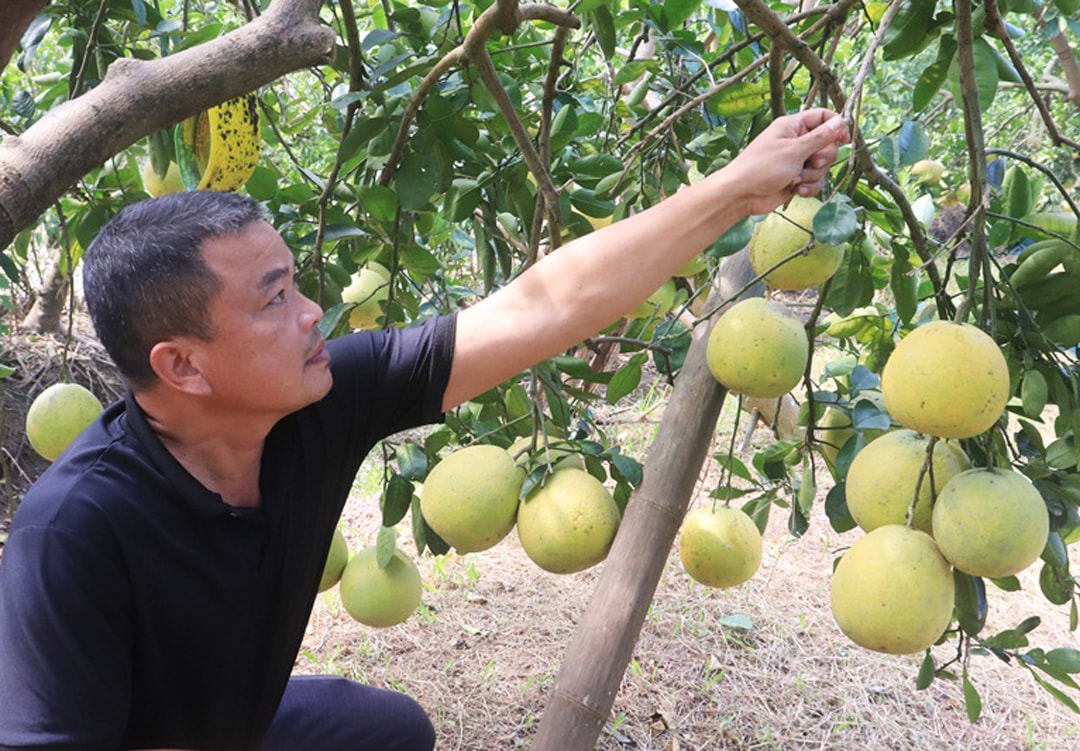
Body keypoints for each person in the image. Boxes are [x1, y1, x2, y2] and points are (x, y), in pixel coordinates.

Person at [0, 109, 848, 750]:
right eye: (272, 299)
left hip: (238, 718)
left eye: (297, 284)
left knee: (391, 731)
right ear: (182, 365)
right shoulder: (73, 530)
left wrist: (737, 185)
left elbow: (543, 304)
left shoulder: (318, 400)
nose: (309, 316)